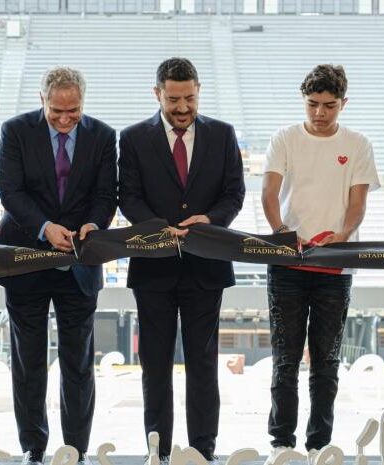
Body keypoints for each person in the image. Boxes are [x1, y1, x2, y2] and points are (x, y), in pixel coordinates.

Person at [118, 57, 245, 465]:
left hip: (206, 267)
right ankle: (157, 451)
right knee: (154, 368)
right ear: (157, 94)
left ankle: (202, 451)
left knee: (203, 366)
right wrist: (156, 228)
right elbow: (129, 196)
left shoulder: (223, 135)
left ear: (198, 91)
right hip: (153, 267)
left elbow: (234, 194)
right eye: (174, 99)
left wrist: (209, 220)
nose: (183, 107)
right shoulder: (134, 138)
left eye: (189, 97)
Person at [0, 66, 117, 465]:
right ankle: (33, 447)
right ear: (41, 100)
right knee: (28, 362)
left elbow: (106, 195)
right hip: (26, 260)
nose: (65, 120)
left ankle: (76, 449)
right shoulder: (15, 132)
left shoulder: (103, 136)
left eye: (73, 112)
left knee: (78, 362)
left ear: (83, 102)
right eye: (56, 112)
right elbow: (10, 192)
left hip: (80, 263)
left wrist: (93, 225)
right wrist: (46, 228)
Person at [260, 64, 379, 465]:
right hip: (288, 264)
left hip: (336, 266)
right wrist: (280, 230)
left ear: (343, 103)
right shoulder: (285, 138)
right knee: (285, 358)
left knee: (326, 360)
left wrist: (342, 237)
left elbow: (358, 203)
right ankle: (280, 441)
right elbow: (269, 193)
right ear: (304, 101)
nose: (320, 113)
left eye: (329, 105)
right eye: (312, 104)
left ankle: (318, 443)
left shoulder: (358, 143)